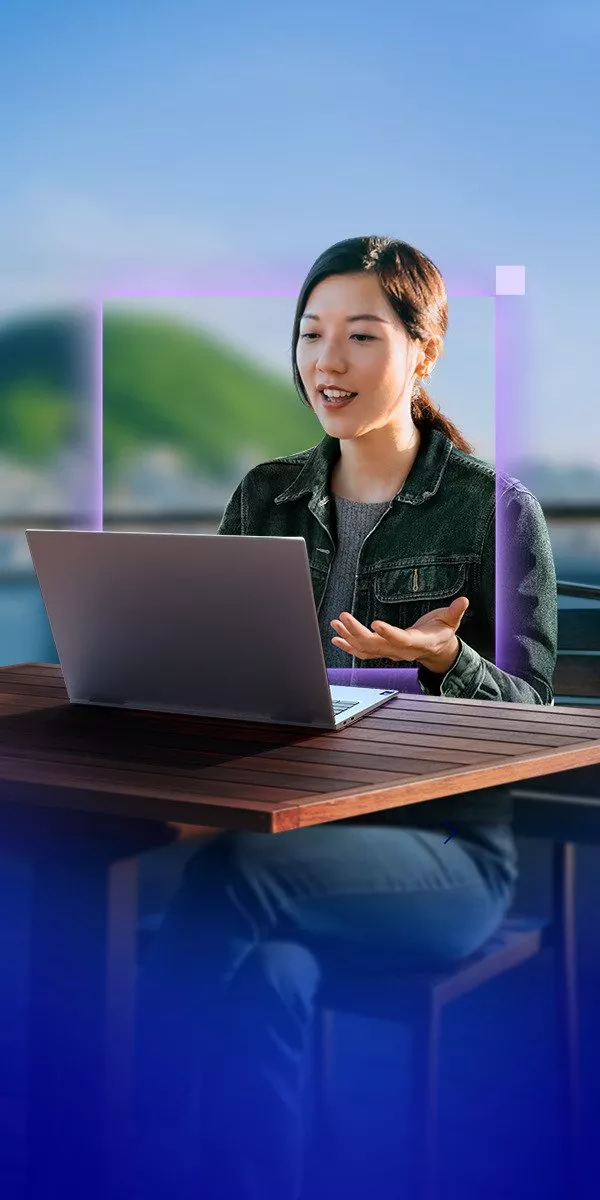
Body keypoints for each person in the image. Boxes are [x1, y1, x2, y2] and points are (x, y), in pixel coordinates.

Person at [134, 236, 557, 1200]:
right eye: (311, 334)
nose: (327, 363)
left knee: (233, 877)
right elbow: (218, 670)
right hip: (296, 829)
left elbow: (537, 722)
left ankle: (122, 1149)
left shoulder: (494, 509)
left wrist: (448, 661)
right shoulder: (265, 496)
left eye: (361, 336)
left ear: (424, 349)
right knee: (269, 975)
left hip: (445, 857)